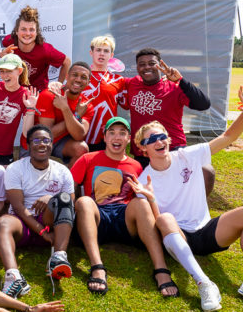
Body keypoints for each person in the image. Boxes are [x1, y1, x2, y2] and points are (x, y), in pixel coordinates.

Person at [135, 85, 243, 312]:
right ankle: (204, 283)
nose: (160, 142)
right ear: (142, 148)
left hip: (207, 231)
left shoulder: (187, 155)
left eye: (162, 136)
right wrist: (149, 198)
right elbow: (156, 224)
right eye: (152, 140)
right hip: (178, 238)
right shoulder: (143, 179)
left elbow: (228, 137)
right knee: (166, 218)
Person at [70, 117, 179, 297]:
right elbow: (70, 188)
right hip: (98, 216)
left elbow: (140, 198)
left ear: (128, 139)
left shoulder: (136, 166)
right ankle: (97, 267)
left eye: (122, 133)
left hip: (124, 218)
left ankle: (161, 269)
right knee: (83, 202)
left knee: (142, 202)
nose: (117, 137)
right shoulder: (87, 159)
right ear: (104, 138)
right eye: (112, 133)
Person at [0, 125, 76, 297]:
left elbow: (70, 204)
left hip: (49, 222)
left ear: (52, 145)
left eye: (46, 140)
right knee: (2, 222)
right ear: (28, 145)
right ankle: (13, 276)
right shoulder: (15, 168)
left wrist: (51, 198)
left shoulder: (62, 171)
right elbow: (18, 206)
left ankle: (59, 257)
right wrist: (41, 232)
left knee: (62, 198)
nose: (42, 144)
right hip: (23, 223)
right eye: (36, 140)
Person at [119, 48, 214, 194]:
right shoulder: (132, 84)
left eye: (152, 63)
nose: (147, 67)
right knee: (146, 191)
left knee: (206, 171)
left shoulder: (174, 86)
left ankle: (198, 212)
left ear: (160, 65)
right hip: (143, 151)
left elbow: (203, 104)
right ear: (137, 68)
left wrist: (181, 81)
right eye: (142, 64)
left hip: (172, 147)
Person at [27, 62, 93, 167]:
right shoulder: (49, 94)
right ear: (67, 76)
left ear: (88, 82)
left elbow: (79, 135)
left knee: (81, 148)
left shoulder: (85, 105)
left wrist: (67, 110)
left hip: (60, 143)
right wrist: (75, 115)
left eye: (83, 77)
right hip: (35, 141)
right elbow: (47, 135)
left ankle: (70, 183)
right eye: (75, 75)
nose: (78, 79)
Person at [1, 6, 71, 91]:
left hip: (37, 93)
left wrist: (59, 85)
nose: (27, 33)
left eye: (31, 30)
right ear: (16, 31)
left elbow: (66, 62)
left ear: (37, 32)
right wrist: (3, 55)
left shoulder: (45, 50)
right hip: (15, 90)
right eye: (23, 29)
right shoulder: (9, 42)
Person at [83, 35, 125, 152]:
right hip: (82, 132)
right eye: (98, 50)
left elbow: (125, 104)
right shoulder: (81, 76)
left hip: (107, 135)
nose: (102, 54)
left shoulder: (118, 80)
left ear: (111, 55)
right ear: (91, 53)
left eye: (106, 51)